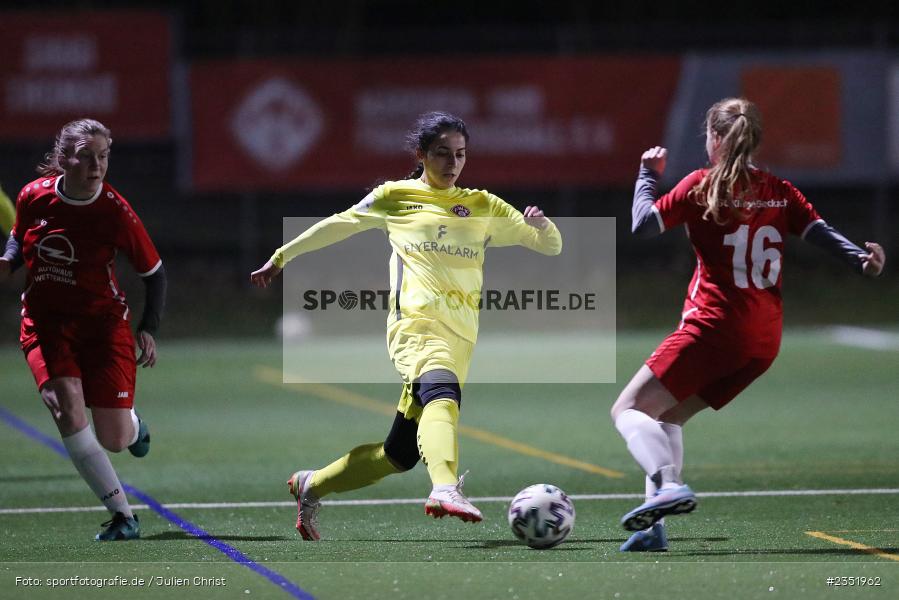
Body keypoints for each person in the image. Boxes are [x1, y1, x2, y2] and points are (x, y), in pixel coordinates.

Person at [251, 111, 562, 540]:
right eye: (442, 154)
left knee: (396, 455)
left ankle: (311, 485)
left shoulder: (483, 205)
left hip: (461, 337)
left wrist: (542, 227)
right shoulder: (395, 196)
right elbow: (337, 225)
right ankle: (446, 487)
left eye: (460, 154)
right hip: (414, 327)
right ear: (421, 154)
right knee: (442, 392)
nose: (452, 163)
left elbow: (549, 246)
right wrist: (281, 255)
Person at [610, 97, 885, 552]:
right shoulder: (780, 189)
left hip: (714, 328)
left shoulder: (701, 185)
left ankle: (665, 486)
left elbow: (642, 224)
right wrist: (862, 263)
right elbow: (825, 235)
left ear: (714, 138)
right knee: (669, 414)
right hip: (762, 341)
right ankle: (653, 529)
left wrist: (646, 176)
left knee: (629, 410)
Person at [0, 118, 167, 541]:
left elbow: (155, 273)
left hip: (103, 326)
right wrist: (8, 261)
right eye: (86, 157)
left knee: (114, 437)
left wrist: (148, 328)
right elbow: (20, 237)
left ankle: (132, 422)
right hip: (46, 324)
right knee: (67, 410)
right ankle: (123, 516)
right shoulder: (33, 196)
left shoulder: (114, 211)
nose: (96, 166)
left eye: (103, 157)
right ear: (64, 160)